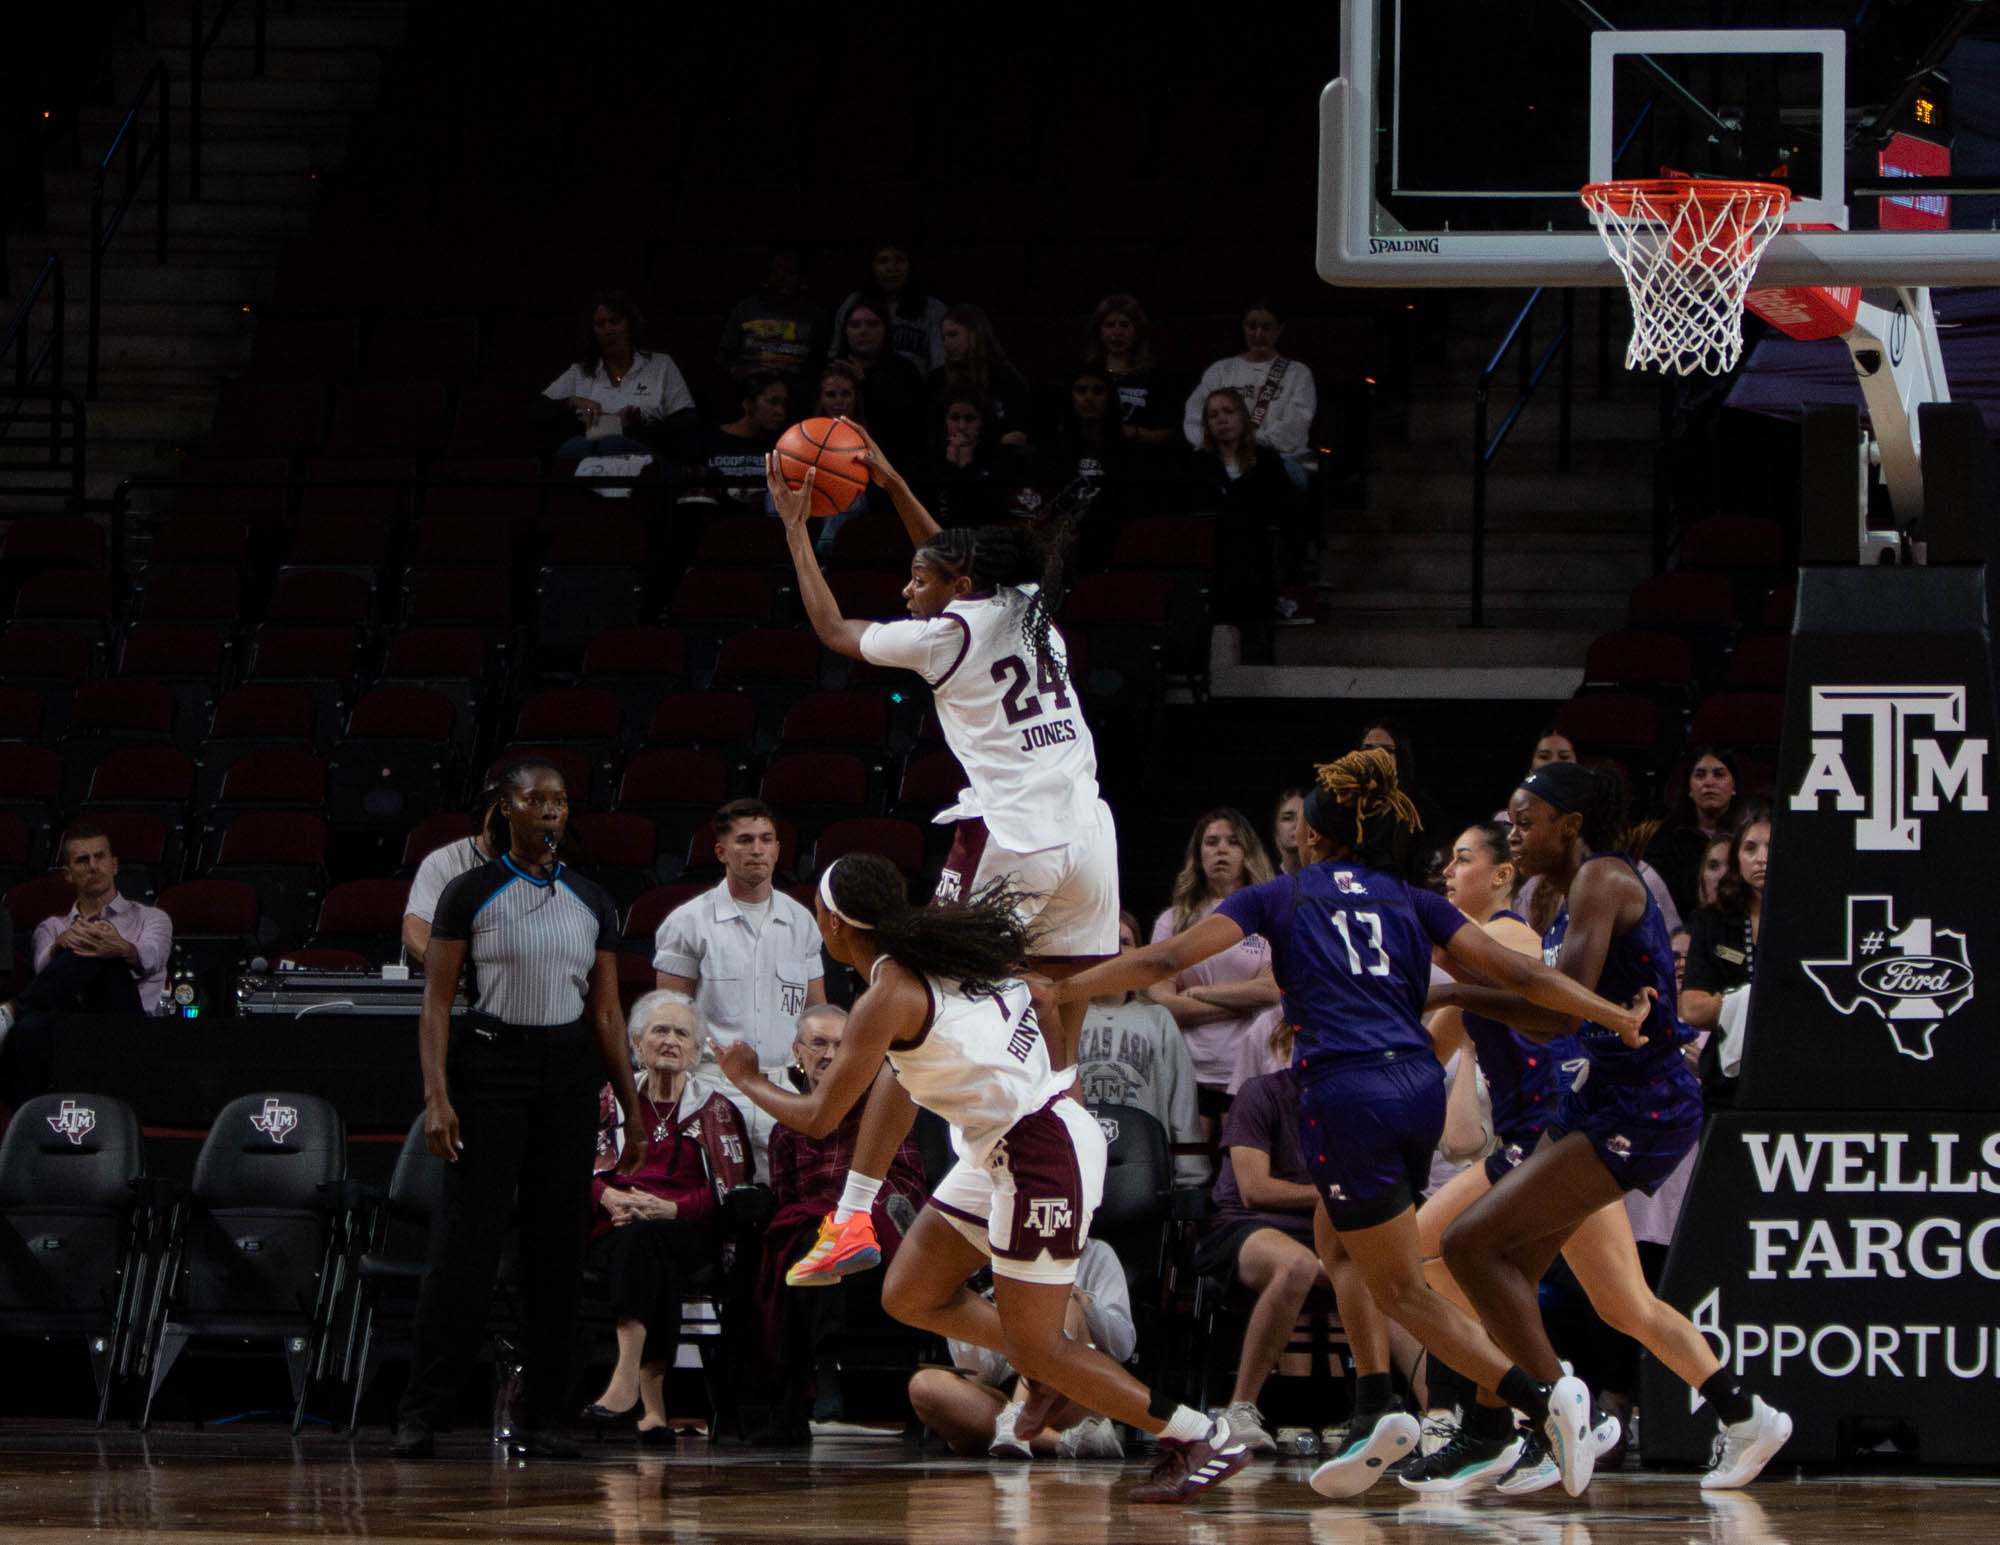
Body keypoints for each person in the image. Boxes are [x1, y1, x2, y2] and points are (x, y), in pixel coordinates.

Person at [1046, 749, 1656, 1502]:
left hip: (1345, 1092)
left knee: (1401, 1286)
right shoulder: (1412, 899)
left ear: (1312, 839)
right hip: (1414, 1088)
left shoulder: (1282, 895)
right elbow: (1524, 977)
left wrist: (1065, 984)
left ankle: (1539, 1399)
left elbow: (1168, 954)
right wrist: (1612, 1014)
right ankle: (1376, 1402)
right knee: (1340, 1239)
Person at [715, 854, 1250, 1504]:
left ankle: (1199, 1433)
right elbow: (899, 1081)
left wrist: (746, 1076)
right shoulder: (936, 956)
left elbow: (823, 1115)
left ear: (831, 922)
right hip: (1007, 1144)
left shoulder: (888, 994)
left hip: (1039, 1153)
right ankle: (1046, 1358)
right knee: (909, 1292)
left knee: (1044, 1346)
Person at [762, 424, 1120, 1287]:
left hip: (1012, 834)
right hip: (1091, 841)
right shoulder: (1030, 609)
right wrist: (887, 478)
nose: (906, 585)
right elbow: (953, 558)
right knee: (1057, 1020)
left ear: (957, 586)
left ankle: (850, 1215)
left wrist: (793, 526)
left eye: (919, 578)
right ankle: (1057, 1174)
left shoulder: (945, 636)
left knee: (904, 1004)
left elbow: (832, 626)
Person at [1432, 762, 1792, 1494]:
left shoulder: (1603, 878)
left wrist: (1445, 984)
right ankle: (1739, 1413)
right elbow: (1548, 1006)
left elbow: (1557, 1011)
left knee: (1467, 1244)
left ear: (1570, 823)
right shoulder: (1558, 894)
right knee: (1543, 1281)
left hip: (1643, 1102)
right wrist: (1456, 985)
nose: (1515, 833)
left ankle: (1555, 1410)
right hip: (1594, 1100)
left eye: (1526, 819)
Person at [393, 759, 647, 1460]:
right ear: (505, 807)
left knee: (556, 1250)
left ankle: (547, 1416)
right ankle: (425, 1411)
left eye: (560, 800)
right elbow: (438, 1002)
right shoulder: (469, 891)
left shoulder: (593, 897)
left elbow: (606, 1010)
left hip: (567, 1070)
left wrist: (630, 1105)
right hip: (490, 1066)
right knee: (464, 1245)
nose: (550, 812)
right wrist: (437, 1094)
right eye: (536, 799)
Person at [582, 990, 751, 1441]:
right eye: (660, 1030)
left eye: (682, 1033)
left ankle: (625, 1385)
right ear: (636, 1043)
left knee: (652, 1239)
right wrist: (608, 1197)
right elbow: (572, 1167)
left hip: (687, 1229)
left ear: (696, 1051)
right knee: (646, 1248)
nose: (670, 1040)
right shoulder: (608, 1100)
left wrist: (673, 1207)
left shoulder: (716, 1109)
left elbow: (728, 1192)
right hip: (614, 1226)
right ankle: (653, 1405)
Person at [761, 1002, 929, 1434]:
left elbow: (908, 1185)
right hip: (813, 1235)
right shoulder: (786, 1126)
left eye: (842, 1045)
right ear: (797, 1052)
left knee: (824, 1243)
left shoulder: (882, 1106)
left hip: (875, 1238)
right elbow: (785, 1199)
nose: (831, 1055)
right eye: (819, 1044)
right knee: (797, 1243)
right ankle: (809, 1377)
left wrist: (853, 1212)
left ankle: (817, 1376)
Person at [1190, 1065, 1330, 1457]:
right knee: (1298, 1267)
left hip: (1325, 1228)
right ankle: (1240, 1408)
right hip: (1247, 1225)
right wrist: (1329, 1193)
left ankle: (1437, 1415)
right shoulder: (1262, 1091)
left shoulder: (1356, 1098)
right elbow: (1254, 1189)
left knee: (1389, 1274)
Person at [905, 1239, 1133, 1461]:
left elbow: (1123, 1345)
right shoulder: (992, 1264)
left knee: (1059, 1298)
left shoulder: (1097, 1255)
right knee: (924, 1386)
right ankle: (1064, 1443)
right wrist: (972, 1305)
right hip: (1005, 1396)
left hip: (1072, 1392)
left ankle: (1014, 1428)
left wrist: (1084, 1302)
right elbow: (981, 1375)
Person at [0, 823, 172, 1107]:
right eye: (82, 860)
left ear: (114, 865)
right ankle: (26, 1122)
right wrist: (61, 943)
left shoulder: (152, 918)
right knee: (30, 1028)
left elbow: (153, 958)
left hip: (129, 1023)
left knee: (100, 953)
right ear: (68, 875)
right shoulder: (52, 926)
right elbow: (43, 973)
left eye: (100, 857)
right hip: (71, 1021)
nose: (93, 866)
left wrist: (119, 946)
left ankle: (10, 1011)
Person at [652, 797, 828, 1070]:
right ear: (721, 852)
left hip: (785, 1082)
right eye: (745, 840)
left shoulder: (801, 921)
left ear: (778, 849)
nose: (757, 850)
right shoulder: (688, 922)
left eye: (766, 839)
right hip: (711, 1083)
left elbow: (816, 1015)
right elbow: (670, 1021)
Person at [1146, 808, 1281, 1124]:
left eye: (1233, 842)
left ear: (1247, 853)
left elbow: (1272, 991)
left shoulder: (1267, 917)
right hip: (1187, 1069)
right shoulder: (1174, 920)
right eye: (1212, 842)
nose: (1221, 849)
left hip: (1250, 1066)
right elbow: (1161, 1001)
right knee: (1191, 1170)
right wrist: (1243, 1003)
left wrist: (1197, 992)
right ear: (1198, 854)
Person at [1074, 913, 1208, 1189]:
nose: (1119, 950)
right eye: (1110, 941)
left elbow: (1181, 1103)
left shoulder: (1157, 1018)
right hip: (1075, 1159)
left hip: (1142, 1165)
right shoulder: (1067, 1016)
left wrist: (1191, 1181)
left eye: (1127, 941)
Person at [1189, 387, 1309, 649]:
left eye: (1228, 412)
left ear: (1243, 417)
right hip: (1215, 559)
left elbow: (1287, 510)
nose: (1221, 420)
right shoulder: (1199, 464)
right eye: (1213, 415)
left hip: (1258, 556)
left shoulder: (1266, 461)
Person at [541, 288, 697, 466]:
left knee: (612, 444)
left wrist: (638, 425)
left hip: (646, 452)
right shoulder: (580, 372)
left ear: (629, 325)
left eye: (614, 322)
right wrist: (572, 401)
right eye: (601, 324)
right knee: (572, 448)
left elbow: (687, 425)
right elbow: (537, 410)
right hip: (589, 454)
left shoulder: (661, 365)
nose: (608, 329)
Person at [1681, 801, 1770, 1107]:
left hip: (1788, 1076)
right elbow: (1692, 1008)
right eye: (1750, 848)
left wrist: (1725, 1003)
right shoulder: (1713, 921)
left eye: (1771, 847)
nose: (1762, 859)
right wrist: (1750, 999)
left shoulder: (1805, 918)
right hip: (1724, 1085)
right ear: (1737, 858)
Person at [1182, 299, 1318, 464]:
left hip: (1280, 459)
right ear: (1243, 327)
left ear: (1280, 329)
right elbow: (1195, 416)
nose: (1258, 334)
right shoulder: (1220, 370)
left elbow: (1296, 424)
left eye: (1267, 328)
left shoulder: (1298, 373)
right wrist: (1212, 445)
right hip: (1222, 458)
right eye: (1252, 326)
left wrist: (1250, 445)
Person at [402, 781, 503, 967]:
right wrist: (448, 969)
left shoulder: (549, 871)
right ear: (481, 816)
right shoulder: (443, 861)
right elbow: (416, 928)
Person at [1644, 745, 1747, 920]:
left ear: (1734, 786)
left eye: (1719, 774)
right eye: (1700, 775)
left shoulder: (1748, 837)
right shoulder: (1667, 838)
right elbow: (1654, 893)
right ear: (1690, 789)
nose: (1709, 782)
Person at [831, 299, 928, 464]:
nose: (863, 331)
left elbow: (908, 427)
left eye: (872, 324)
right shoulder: (832, 373)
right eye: (855, 325)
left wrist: (863, 384)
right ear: (845, 331)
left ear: (885, 329)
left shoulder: (905, 371)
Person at [832, 243, 948, 373]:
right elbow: (837, 354)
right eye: (883, 261)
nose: (891, 268)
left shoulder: (933, 309)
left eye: (899, 260)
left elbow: (940, 365)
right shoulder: (854, 302)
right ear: (872, 267)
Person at [717, 247, 825, 383]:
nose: (781, 277)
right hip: (750, 390)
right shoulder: (745, 310)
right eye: (777, 270)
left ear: (801, 278)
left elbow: (819, 363)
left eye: (789, 271)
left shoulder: (814, 316)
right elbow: (725, 356)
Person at [1082, 293, 1176, 449]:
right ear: (1099, 331)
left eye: (1124, 325)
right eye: (1110, 325)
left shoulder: (1156, 378)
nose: (1117, 332)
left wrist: (1137, 434)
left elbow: (1171, 432)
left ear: (1138, 332)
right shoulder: (1086, 375)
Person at [928, 304, 1031, 446]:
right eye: (943, 338)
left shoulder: (1006, 378)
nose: (946, 343)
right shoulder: (937, 380)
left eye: (953, 335)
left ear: (975, 334)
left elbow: (1018, 433)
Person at [701, 371, 791, 504]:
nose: (781, 412)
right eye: (773, 402)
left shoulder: (782, 446)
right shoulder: (709, 441)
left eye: (784, 404)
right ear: (748, 403)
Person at [1271, 788, 1306, 876]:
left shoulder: (1326, 878)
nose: (1297, 824)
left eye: (1303, 818)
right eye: (1287, 818)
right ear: (1276, 830)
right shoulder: (1265, 881)